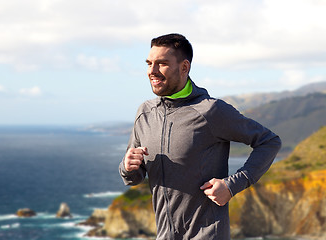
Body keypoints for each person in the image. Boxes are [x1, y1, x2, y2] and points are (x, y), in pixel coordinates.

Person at [119, 33, 281, 240]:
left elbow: (269, 141)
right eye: (149, 63)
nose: (152, 71)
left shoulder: (210, 111)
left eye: (162, 64)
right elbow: (134, 176)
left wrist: (232, 186)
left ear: (184, 67)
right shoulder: (145, 113)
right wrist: (127, 166)